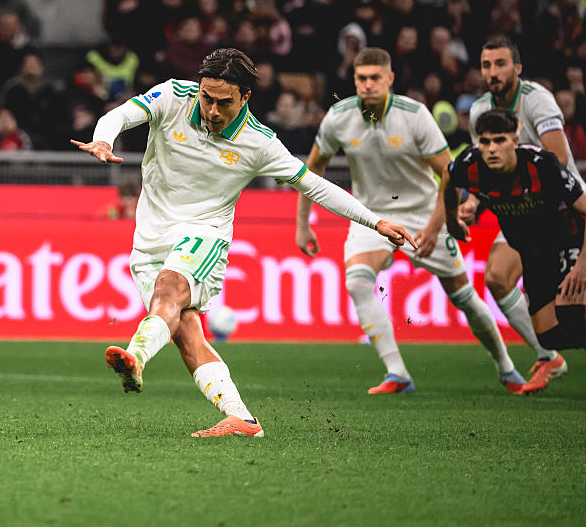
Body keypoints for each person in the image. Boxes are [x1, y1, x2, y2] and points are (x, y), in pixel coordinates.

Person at [73, 48, 416, 438]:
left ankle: (136, 356)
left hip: (205, 233)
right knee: (185, 331)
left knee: (169, 290)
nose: (212, 110)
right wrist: (102, 141)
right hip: (149, 240)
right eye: (207, 97)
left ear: (246, 97)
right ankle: (242, 419)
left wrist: (375, 221)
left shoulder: (259, 143)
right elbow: (118, 116)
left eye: (224, 102)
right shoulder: (173, 96)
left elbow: (315, 186)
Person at [295, 47, 524, 394]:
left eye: (375, 78)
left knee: (463, 296)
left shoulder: (415, 115)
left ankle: (506, 366)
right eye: (362, 78)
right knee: (357, 282)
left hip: (423, 212)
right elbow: (311, 169)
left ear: (390, 79)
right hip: (372, 216)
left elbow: (449, 173)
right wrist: (302, 223)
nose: (368, 84)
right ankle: (397, 374)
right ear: (354, 81)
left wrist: (435, 227)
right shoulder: (339, 117)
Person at [463, 36, 581, 392]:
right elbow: (485, 168)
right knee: (497, 277)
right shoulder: (480, 111)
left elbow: (558, 159)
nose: (492, 72)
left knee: (573, 305)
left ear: (517, 68)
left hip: (564, 208)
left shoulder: (536, 100)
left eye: (500, 64)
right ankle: (549, 357)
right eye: (486, 65)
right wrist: (475, 202)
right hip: (521, 211)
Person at [446, 109, 586, 373]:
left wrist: (580, 266)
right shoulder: (469, 164)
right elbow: (448, 177)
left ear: (514, 140)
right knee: (548, 337)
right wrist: (452, 220)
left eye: (499, 140)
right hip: (533, 250)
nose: (491, 149)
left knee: (571, 314)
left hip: (569, 239)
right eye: (485, 142)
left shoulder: (542, 166)